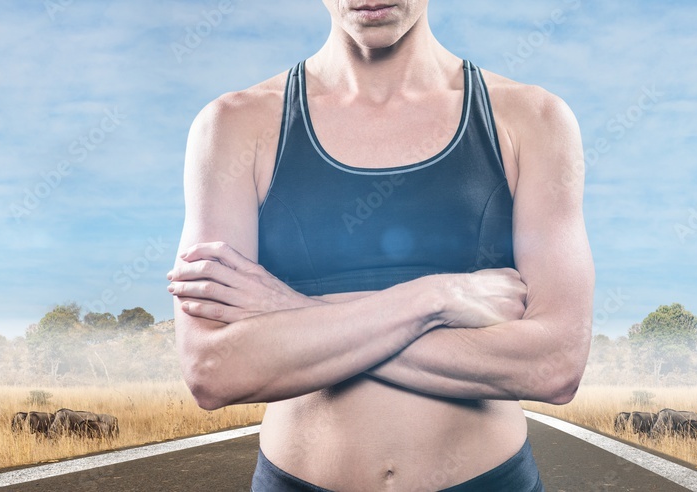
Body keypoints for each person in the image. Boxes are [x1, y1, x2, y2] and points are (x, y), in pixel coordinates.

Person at [168, 1, 594, 490]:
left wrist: (288, 310)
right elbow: (212, 369)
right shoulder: (232, 126)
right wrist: (434, 299)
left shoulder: (533, 119)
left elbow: (555, 365)